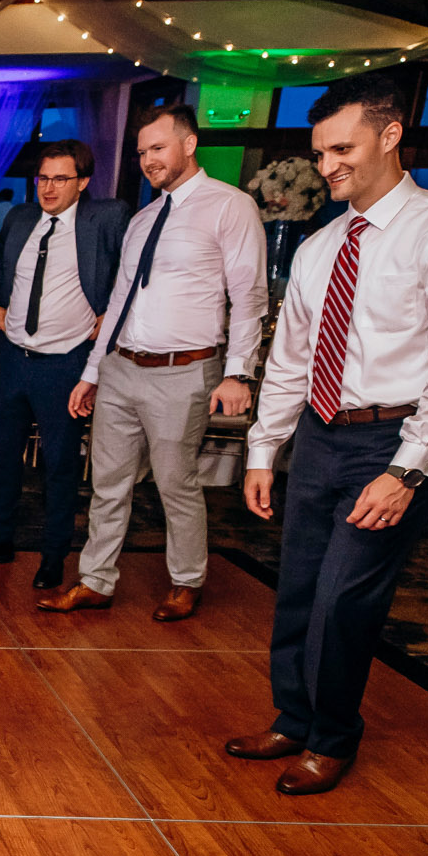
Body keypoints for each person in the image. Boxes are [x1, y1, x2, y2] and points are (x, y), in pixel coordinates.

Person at [226, 74, 428, 795]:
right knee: (299, 588)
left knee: (345, 597)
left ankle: (333, 736)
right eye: (319, 154)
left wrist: (408, 470)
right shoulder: (321, 247)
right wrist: (264, 450)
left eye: (341, 148)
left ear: (390, 134)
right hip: (319, 436)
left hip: (394, 443)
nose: (327, 167)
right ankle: (293, 715)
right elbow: (289, 359)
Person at [39, 103, 266, 622]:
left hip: (183, 371)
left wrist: (238, 372)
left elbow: (249, 296)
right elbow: (119, 302)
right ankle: (97, 580)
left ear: (189, 145)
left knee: (174, 482)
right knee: (107, 481)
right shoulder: (142, 219)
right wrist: (93, 371)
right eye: (142, 152)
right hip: (121, 367)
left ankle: (187, 580)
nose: (148, 160)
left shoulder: (228, 206)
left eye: (157, 148)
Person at [0, 140, 130, 589]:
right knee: (2, 457)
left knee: (59, 465)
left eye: (60, 179)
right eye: (43, 178)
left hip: (65, 363)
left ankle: (53, 557)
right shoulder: (19, 218)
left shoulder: (104, 219)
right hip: (14, 356)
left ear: (83, 182)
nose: (48, 188)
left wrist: (111, 311)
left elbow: (130, 271)